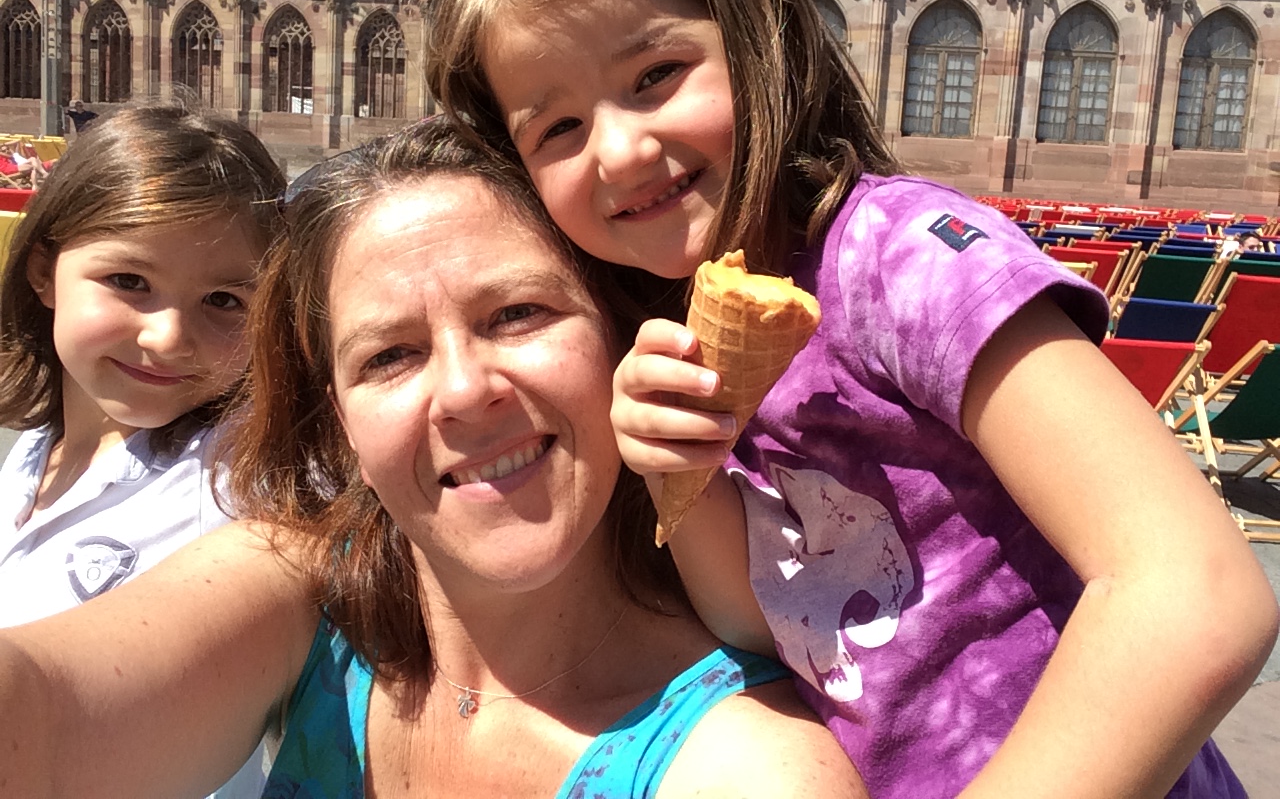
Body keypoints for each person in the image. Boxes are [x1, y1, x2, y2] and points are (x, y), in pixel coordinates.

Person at [427, 0, 1279, 799]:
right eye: (557, 129)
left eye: (656, 74)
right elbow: (769, 625)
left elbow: (1194, 590)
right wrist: (680, 478)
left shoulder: (902, 259)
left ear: (761, 39)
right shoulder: (677, 317)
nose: (621, 151)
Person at [0, 119, 866, 799]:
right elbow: (43, 715)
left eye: (518, 314)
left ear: (621, 335)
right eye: (389, 356)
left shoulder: (751, 766)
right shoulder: (310, 597)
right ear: (339, 416)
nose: (462, 391)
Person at [0, 102, 286, 798]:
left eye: (224, 300)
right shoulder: (33, 449)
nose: (168, 337)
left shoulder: (236, 468)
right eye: (130, 281)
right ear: (44, 271)